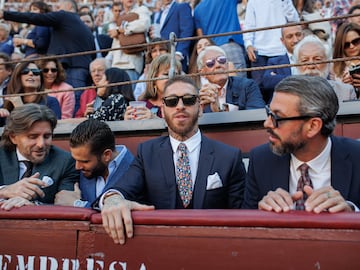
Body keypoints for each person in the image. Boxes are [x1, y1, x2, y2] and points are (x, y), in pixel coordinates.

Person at [99, 76, 246, 244]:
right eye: (171, 101)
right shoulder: (147, 153)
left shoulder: (229, 156)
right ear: (162, 110)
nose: (180, 106)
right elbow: (123, 188)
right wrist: (112, 199)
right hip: (160, 249)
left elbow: (242, 217)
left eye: (189, 100)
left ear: (199, 108)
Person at [242, 75, 360, 213]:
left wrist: (352, 213)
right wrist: (261, 213)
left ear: (313, 126)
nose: (267, 123)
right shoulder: (261, 159)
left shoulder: (357, 157)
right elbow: (245, 223)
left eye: (277, 117)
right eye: (269, 112)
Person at [0, 0, 96, 115]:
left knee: (72, 104)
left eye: (58, 7)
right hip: (82, 69)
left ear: (69, 6)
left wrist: (5, 14)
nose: (55, 10)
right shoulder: (81, 27)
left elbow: (37, 18)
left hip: (71, 68)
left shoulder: (64, 16)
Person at [0, 104, 79, 210]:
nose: (41, 144)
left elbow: (65, 205)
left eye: (47, 136)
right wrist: (4, 191)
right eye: (33, 137)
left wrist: (34, 207)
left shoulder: (66, 161)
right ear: (13, 137)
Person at [55, 119, 134, 208]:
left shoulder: (135, 171)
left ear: (107, 155)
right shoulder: (81, 169)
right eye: (76, 160)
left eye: (85, 161)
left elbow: (116, 212)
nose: (77, 167)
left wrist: (77, 204)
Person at [243, 0, 299, 90]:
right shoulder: (253, 2)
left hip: (281, 51)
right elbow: (248, 25)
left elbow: (294, 20)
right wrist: (248, 45)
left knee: (285, 87)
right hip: (259, 52)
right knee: (259, 89)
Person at [197, 46, 265, 112]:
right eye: (210, 63)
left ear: (227, 64)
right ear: (202, 73)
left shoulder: (247, 86)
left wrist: (222, 110)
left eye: (221, 60)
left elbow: (258, 114)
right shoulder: (199, 96)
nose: (218, 65)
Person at [293, 35, 357, 102]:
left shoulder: (345, 92)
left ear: (328, 63)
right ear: (297, 65)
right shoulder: (287, 94)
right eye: (304, 60)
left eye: (317, 59)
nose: (311, 66)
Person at [194, 0, 247, 77]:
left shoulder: (197, 9)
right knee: (239, 82)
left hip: (212, 51)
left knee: (220, 85)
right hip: (230, 46)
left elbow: (201, 36)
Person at [124, 53, 181, 120]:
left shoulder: (183, 103)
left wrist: (155, 120)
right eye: (166, 74)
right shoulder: (142, 106)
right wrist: (127, 123)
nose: (171, 79)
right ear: (154, 79)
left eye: (175, 74)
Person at [263, 24, 304, 103]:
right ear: (282, 41)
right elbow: (268, 82)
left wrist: (280, 78)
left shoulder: (313, 57)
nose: (295, 40)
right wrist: (303, 79)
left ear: (303, 35)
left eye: (298, 35)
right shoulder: (275, 62)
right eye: (290, 36)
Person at [150, 0, 194, 72]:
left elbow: (187, 31)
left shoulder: (182, 7)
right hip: (162, 60)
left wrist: (179, 53)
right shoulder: (160, 13)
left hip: (177, 59)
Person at [333, 22, 360, 94]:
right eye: (346, 45)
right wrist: (344, 87)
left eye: (356, 41)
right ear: (341, 47)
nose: (352, 46)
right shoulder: (335, 69)